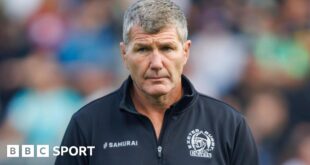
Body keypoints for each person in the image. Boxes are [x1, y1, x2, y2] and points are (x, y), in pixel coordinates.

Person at [55, 0, 258, 164]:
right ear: (124, 54)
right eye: (143, 49)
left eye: (167, 48)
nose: (156, 63)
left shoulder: (228, 125)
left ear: (185, 52)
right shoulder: (87, 124)